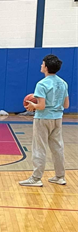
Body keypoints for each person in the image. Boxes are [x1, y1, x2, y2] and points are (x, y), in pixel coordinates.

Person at [19, 54, 69, 187]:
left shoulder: (41, 84)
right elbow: (66, 105)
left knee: (39, 148)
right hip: (57, 119)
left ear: (46, 67)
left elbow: (41, 106)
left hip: (43, 119)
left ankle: (36, 178)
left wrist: (32, 106)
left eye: (42, 64)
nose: (41, 66)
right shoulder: (63, 83)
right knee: (57, 148)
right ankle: (60, 176)